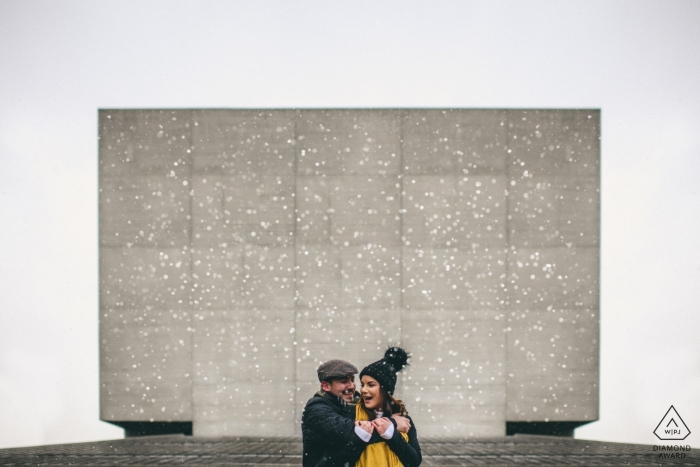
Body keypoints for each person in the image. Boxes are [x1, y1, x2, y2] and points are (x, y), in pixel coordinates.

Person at [301, 358, 412, 467]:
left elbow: (413, 459)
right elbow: (350, 431)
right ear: (326, 386)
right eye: (344, 382)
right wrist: (393, 424)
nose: (352, 386)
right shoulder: (316, 409)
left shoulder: (357, 404)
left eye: (352, 380)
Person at [351, 347, 421, 467]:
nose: (363, 390)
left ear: (385, 389)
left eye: (371, 385)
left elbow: (414, 461)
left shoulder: (403, 419)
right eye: (362, 384)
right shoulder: (352, 414)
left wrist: (391, 434)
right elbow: (343, 457)